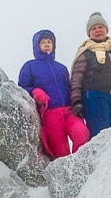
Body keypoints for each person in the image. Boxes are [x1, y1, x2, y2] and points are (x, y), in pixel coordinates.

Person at [18, 29, 90, 158]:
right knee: (60, 149)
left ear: (53, 45)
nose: (46, 44)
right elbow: (22, 87)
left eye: (49, 42)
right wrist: (34, 91)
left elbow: (72, 87)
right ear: (37, 46)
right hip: (50, 112)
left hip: (70, 110)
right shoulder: (29, 66)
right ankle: (65, 176)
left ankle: (81, 166)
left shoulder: (61, 68)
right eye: (43, 42)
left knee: (81, 133)